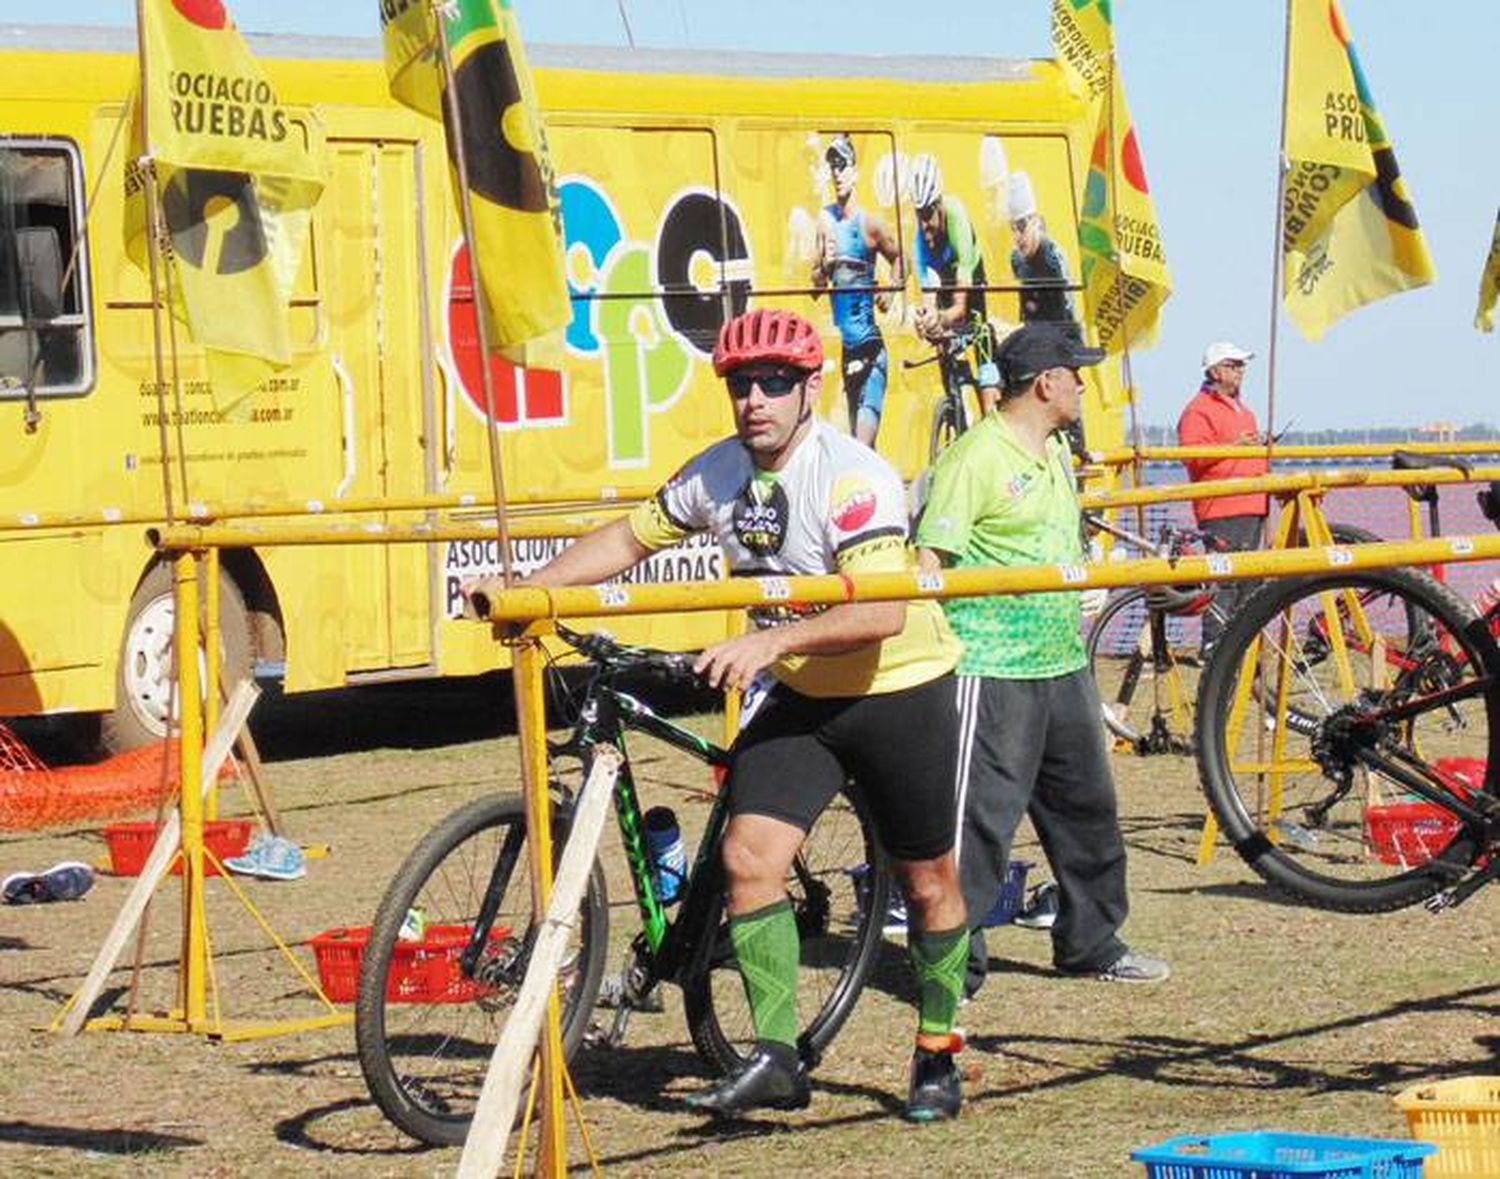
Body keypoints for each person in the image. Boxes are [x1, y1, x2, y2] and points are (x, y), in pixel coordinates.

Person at [478, 308, 972, 1122]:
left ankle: (937, 1047)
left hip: (899, 687)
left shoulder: (853, 476)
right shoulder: (717, 473)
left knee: (928, 883)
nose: (755, 400)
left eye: (775, 382)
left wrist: (771, 647)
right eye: (741, 383)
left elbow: (882, 613)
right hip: (807, 695)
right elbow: (627, 541)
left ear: (811, 387)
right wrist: (532, 589)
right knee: (748, 857)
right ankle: (777, 1055)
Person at [914, 321, 1170, 999]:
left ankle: (1092, 939)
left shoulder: (1054, 450)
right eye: (1076, 374)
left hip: (1060, 663)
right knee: (976, 826)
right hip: (990, 666)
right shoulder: (975, 457)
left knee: (1088, 809)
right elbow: (928, 562)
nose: (1085, 385)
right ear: (1046, 382)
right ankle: (951, 968)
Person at [811, 134, 906, 448]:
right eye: (833, 166)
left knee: (861, 447)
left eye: (843, 165)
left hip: (871, 347)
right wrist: (825, 265)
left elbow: (900, 259)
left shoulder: (870, 225)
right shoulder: (825, 222)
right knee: (858, 445)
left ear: (855, 171)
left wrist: (891, 292)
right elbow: (815, 286)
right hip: (847, 350)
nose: (837, 173)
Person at [1176, 341, 1269, 656]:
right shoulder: (1198, 410)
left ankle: (1242, 640)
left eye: (1241, 365)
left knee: (1249, 578)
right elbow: (1191, 455)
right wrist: (1234, 445)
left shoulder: (1244, 410)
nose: (1241, 371)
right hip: (1222, 505)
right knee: (1225, 577)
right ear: (1216, 371)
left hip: (1251, 501)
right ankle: (1215, 643)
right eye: (1234, 365)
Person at [908, 153, 1001, 416]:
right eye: (918, 216)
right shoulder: (919, 242)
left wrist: (942, 317)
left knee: (980, 338)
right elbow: (929, 301)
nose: (924, 225)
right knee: (939, 340)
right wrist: (927, 320)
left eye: (927, 214)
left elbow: (959, 309)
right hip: (946, 283)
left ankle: (990, 416)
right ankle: (956, 407)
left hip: (970, 279)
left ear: (939, 205)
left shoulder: (956, 217)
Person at [1006, 171, 1078, 327]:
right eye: (1012, 229)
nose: (1017, 237)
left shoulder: (1052, 258)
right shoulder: (1017, 259)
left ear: (1036, 222)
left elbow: (1067, 319)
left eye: (1021, 226)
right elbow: (1026, 311)